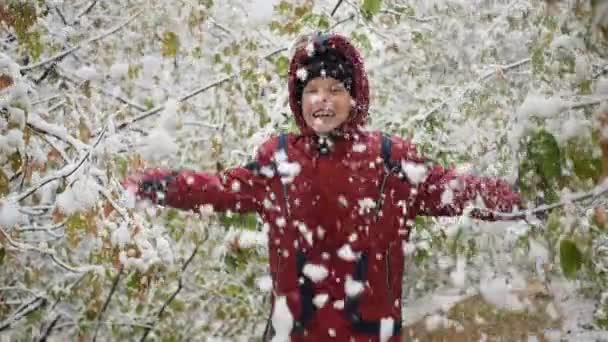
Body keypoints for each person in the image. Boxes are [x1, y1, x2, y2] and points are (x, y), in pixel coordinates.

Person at [124, 33, 522, 342]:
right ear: (298, 99)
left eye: (335, 89)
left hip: (370, 333)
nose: (323, 101)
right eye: (312, 89)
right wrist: (155, 185)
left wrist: (518, 200)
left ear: (355, 97)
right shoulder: (277, 160)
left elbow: (451, 190)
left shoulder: (390, 160)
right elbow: (217, 190)